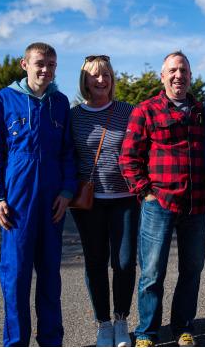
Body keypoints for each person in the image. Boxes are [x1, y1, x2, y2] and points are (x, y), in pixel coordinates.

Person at [0, 42, 77, 346]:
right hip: (17, 203)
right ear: (25, 64)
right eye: (40, 63)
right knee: (16, 277)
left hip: (52, 202)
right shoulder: (6, 99)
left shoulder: (60, 102)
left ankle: (51, 341)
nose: (45, 69)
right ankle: (16, 342)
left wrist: (66, 190)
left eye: (51, 64)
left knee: (50, 276)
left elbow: (68, 152)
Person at [119, 51, 205, 347]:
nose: (178, 75)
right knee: (152, 272)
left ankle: (183, 326)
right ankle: (147, 332)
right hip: (159, 203)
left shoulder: (200, 110)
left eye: (183, 70)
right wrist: (145, 193)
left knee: (192, 270)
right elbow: (128, 158)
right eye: (172, 70)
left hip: (195, 204)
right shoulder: (145, 110)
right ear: (163, 75)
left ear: (190, 75)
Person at [70, 55, 140, 347]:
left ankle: (122, 320)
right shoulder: (73, 115)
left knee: (124, 262)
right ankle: (103, 323)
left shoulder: (127, 111)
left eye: (106, 75)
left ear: (112, 79)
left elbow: (142, 148)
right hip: (90, 202)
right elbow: (66, 155)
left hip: (125, 198)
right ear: (85, 81)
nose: (101, 80)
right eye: (95, 76)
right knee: (95, 262)